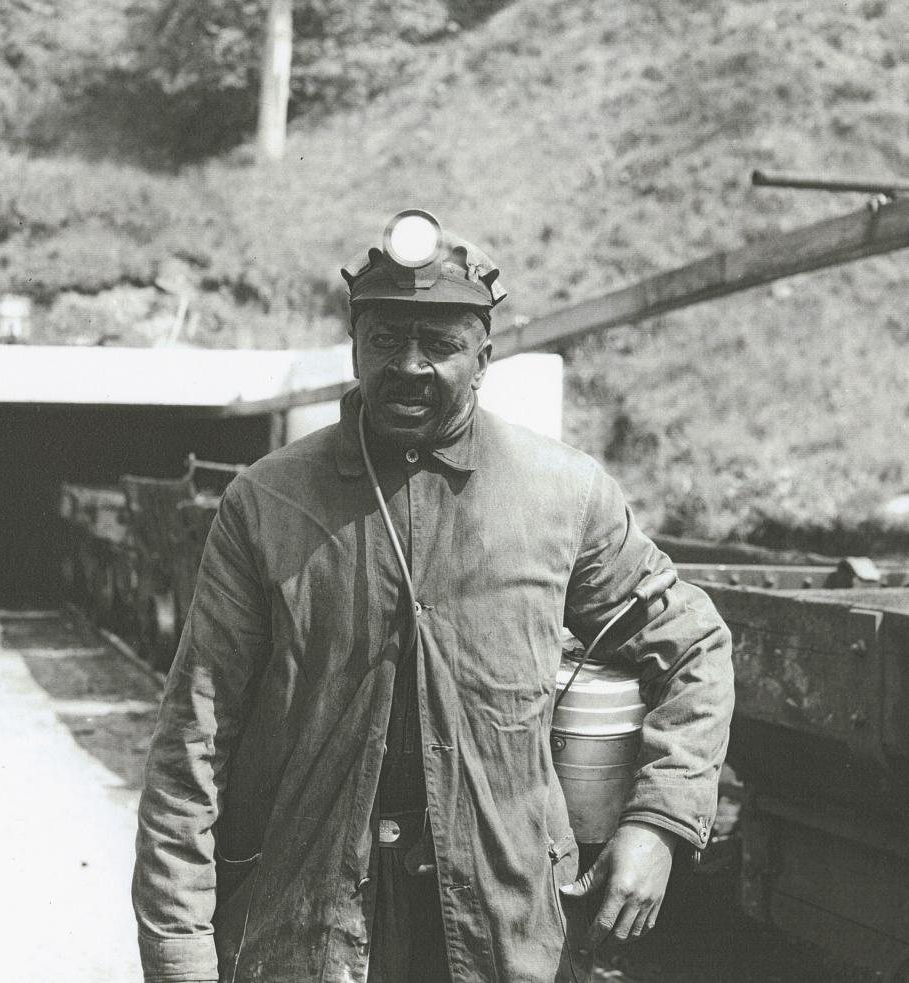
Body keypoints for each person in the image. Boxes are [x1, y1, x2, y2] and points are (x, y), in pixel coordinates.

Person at [132, 209, 734, 983]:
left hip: (504, 930)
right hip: (308, 928)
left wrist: (658, 823)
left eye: (441, 344)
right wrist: (181, 955)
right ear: (355, 345)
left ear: (482, 357)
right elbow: (192, 744)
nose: (409, 365)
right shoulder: (267, 503)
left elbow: (695, 645)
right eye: (385, 339)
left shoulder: (562, 494)